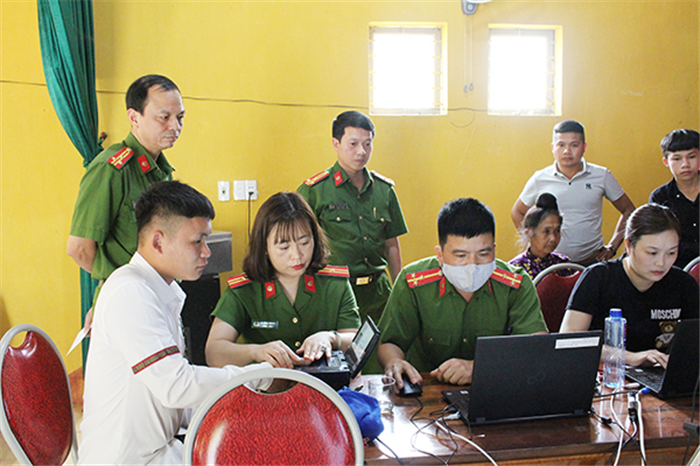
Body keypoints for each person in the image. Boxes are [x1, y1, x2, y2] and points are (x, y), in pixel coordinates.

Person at [78, 181, 271, 465]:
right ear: (158, 242)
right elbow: (176, 386)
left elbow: (176, 400)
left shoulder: (157, 289)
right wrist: (258, 376)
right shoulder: (131, 292)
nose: (206, 252)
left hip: (158, 449)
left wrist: (243, 399)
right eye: (197, 241)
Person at [377, 198, 548, 389]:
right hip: (425, 390)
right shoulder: (413, 282)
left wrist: (479, 368)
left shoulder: (516, 284)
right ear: (440, 255)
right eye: (460, 256)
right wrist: (394, 362)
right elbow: (389, 342)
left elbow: (537, 349)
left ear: (494, 250)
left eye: (483, 254)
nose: (472, 265)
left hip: (494, 386)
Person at [67, 74, 185, 335]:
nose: (175, 126)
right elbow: (79, 248)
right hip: (127, 301)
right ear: (134, 117)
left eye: (180, 117)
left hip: (158, 296)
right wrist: (119, 286)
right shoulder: (111, 170)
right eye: (164, 117)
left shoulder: (161, 171)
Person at [206, 192, 361, 369]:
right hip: (268, 384)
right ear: (264, 247)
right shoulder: (244, 290)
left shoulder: (335, 285)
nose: (297, 255)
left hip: (325, 384)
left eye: (304, 243)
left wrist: (331, 338)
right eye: (284, 247)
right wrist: (256, 351)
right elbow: (214, 352)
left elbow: (356, 342)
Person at [297, 110, 408, 325]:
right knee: (339, 346)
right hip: (334, 292)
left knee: (384, 344)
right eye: (353, 144)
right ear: (336, 144)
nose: (361, 152)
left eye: (367, 144)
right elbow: (299, 247)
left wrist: (399, 289)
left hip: (378, 292)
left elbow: (391, 244)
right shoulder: (314, 191)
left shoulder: (384, 190)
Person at [560, 203, 700, 369]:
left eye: (671, 253)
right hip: (608, 374)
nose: (661, 263)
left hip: (661, 375)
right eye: (652, 253)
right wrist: (630, 357)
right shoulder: (598, 277)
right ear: (629, 245)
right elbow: (569, 340)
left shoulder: (683, 284)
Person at [511, 120, 635, 265]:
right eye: (561, 145)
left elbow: (629, 210)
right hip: (550, 264)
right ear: (553, 147)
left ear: (584, 147)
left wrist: (613, 247)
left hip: (591, 262)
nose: (567, 151)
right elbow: (517, 212)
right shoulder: (540, 178)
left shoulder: (602, 176)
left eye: (574, 145)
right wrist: (534, 242)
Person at [649, 129, 700, 268]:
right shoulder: (660, 197)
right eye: (677, 159)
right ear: (666, 161)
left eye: (691, 157)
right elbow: (658, 239)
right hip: (675, 267)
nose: (685, 164)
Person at [510, 192, 571, 279]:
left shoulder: (564, 265)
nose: (553, 238)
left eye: (557, 230)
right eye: (546, 231)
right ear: (529, 234)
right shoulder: (515, 270)